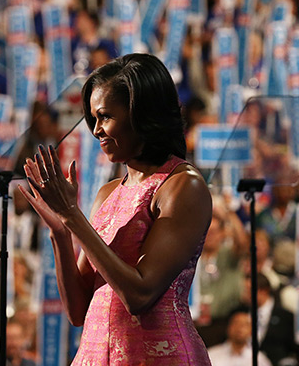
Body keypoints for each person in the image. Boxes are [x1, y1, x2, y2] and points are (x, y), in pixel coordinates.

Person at [18, 54, 212, 364]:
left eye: (105, 116)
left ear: (141, 114)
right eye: (93, 118)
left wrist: (72, 215)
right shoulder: (108, 193)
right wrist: (60, 233)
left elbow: (141, 295)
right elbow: (78, 309)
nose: (96, 130)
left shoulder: (183, 186)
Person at [207, 311, 272, 366]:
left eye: (245, 325)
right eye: (236, 323)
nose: (240, 328)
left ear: (251, 331)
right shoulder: (211, 355)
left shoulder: (260, 359)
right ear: (228, 327)